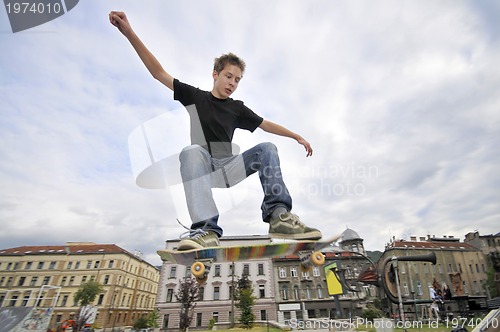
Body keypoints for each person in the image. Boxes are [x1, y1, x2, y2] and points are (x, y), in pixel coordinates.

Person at [109, 11, 322, 250]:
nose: (232, 83)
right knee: (191, 151)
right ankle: (206, 229)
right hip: (203, 168)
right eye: (228, 76)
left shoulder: (237, 109)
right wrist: (129, 32)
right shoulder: (195, 97)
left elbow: (265, 124)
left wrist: (296, 136)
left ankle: (279, 216)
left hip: (229, 168)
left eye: (237, 80)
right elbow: (158, 73)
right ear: (215, 74)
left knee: (267, 149)